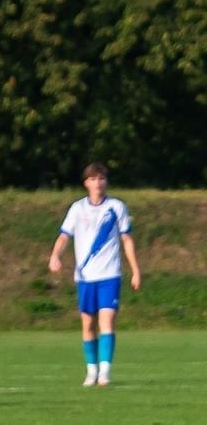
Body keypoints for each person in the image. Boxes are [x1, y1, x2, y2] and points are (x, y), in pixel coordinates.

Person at [48, 162, 141, 387]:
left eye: (101, 179)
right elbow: (64, 237)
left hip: (110, 274)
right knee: (88, 324)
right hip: (85, 277)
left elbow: (126, 240)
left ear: (105, 182)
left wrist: (136, 271)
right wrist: (55, 256)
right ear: (86, 183)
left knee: (107, 320)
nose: (98, 183)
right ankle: (91, 371)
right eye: (93, 179)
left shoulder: (117, 207)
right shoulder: (78, 209)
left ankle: (104, 373)